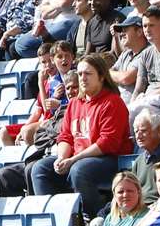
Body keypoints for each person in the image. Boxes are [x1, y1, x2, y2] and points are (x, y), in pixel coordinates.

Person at [29, 53, 131, 214]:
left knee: (79, 170)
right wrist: (63, 158)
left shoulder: (112, 102)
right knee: (40, 169)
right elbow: (65, 136)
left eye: (88, 74)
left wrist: (72, 160)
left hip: (108, 159)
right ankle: (56, 220)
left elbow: (107, 142)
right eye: (80, 74)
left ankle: (93, 218)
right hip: (77, 158)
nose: (82, 78)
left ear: (102, 77)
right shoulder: (75, 103)